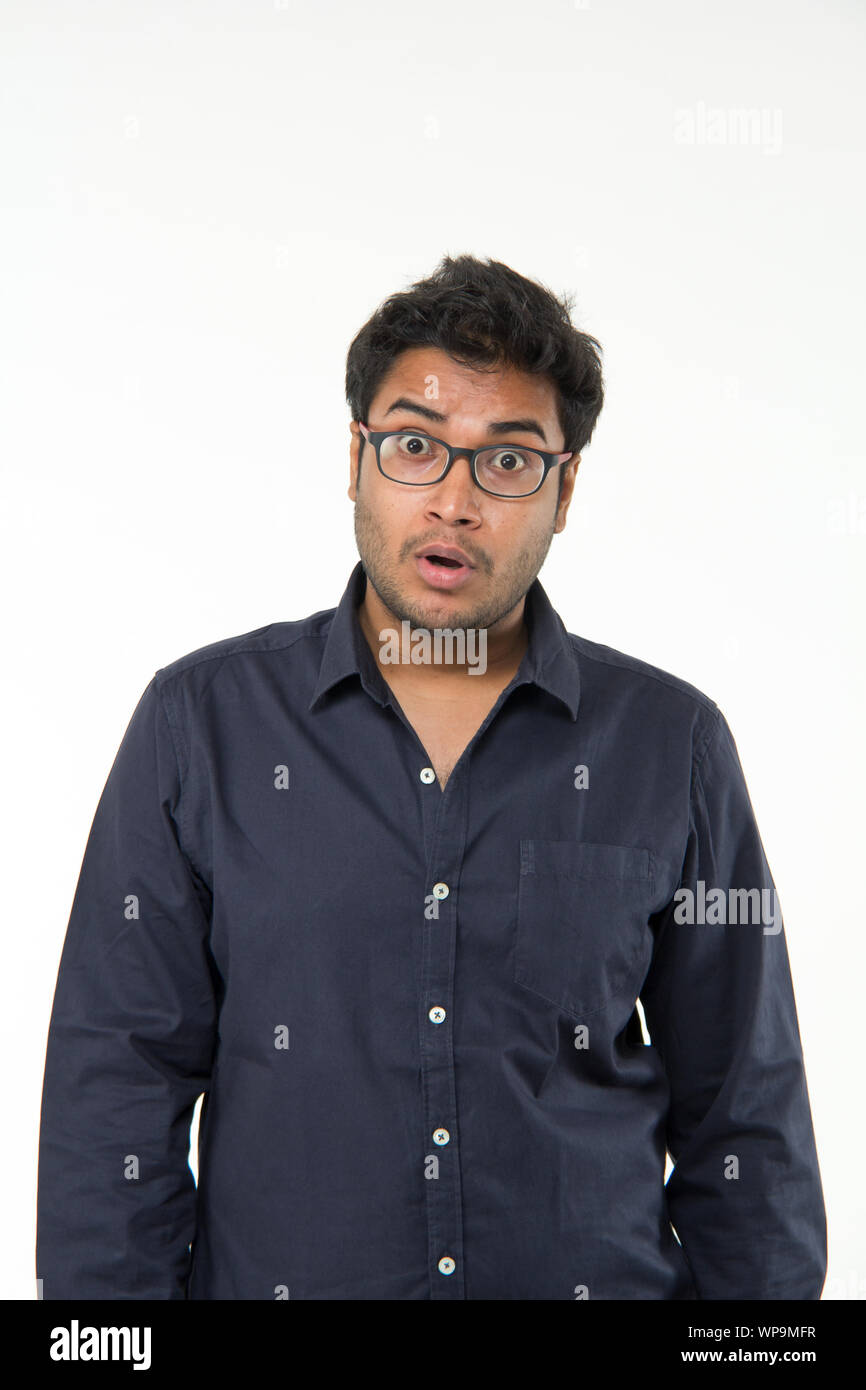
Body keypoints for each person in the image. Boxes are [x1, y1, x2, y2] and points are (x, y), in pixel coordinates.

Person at [36, 254, 826, 1300]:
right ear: (355, 457)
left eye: (506, 462)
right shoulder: (203, 726)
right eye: (414, 445)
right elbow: (112, 1099)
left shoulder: (668, 744)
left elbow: (746, 1116)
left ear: (564, 488)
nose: (453, 500)